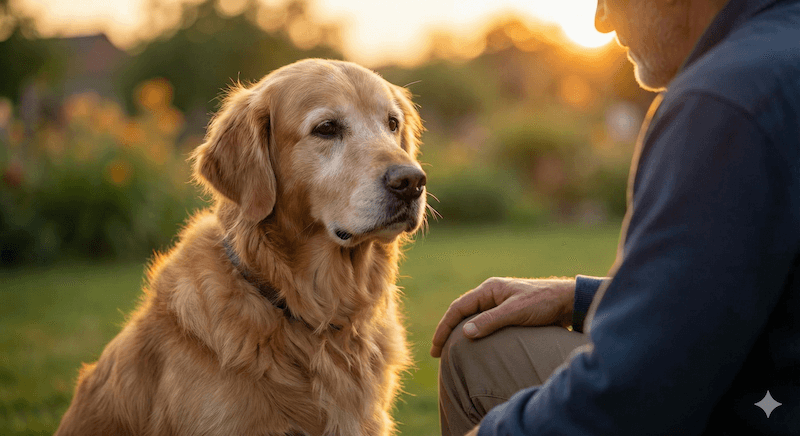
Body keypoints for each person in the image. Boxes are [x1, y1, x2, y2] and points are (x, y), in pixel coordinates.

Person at [430, 0, 800, 434]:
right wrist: (580, 299)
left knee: (479, 360)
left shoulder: (723, 98)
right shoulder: (781, 49)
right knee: (482, 348)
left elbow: (629, 400)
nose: (600, 20)